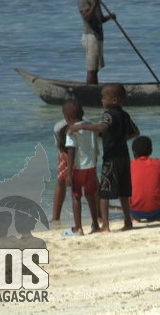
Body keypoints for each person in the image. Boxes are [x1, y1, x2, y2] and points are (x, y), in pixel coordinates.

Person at [69, 84, 139, 232]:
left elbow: (102, 127)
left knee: (104, 192)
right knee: (123, 192)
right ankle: (128, 222)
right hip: (124, 157)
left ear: (113, 100)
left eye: (103, 97)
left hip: (112, 157)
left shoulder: (108, 114)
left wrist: (81, 127)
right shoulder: (125, 115)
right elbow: (136, 132)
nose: (101, 100)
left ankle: (105, 225)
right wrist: (120, 139)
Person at [61, 99, 100, 236]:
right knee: (90, 195)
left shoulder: (71, 131)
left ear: (67, 118)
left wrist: (69, 173)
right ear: (82, 113)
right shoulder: (89, 125)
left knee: (76, 197)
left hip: (78, 168)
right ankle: (95, 225)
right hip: (91, 166)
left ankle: (78, 228)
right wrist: (95, 158)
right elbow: (95, 144)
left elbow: (71, 150)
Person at [78, 0, 116, 85]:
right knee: (91, 69)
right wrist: (94, 4)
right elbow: (87, 18)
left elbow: (99, 20)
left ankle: (95, 88)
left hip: (98, 36)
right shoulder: (84, 0)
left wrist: (109, 17)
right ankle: (90, 92)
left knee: (96, 68)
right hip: (91, 36)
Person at [129, 136, 160, 221]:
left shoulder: (129, 165)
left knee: (125, 181)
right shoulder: (158, 164)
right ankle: (158, 201)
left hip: (135, 211)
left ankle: (131, 214)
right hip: (156, 209)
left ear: (134, 153)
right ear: (151, 151)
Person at [51, 118, 68, 222]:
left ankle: (99, 215)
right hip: (65, 152)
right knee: (61, 181)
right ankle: (56, 217)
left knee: (90, 183)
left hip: (82, 154)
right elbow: (60, 146)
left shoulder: (59, 127)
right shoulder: (59, 127)